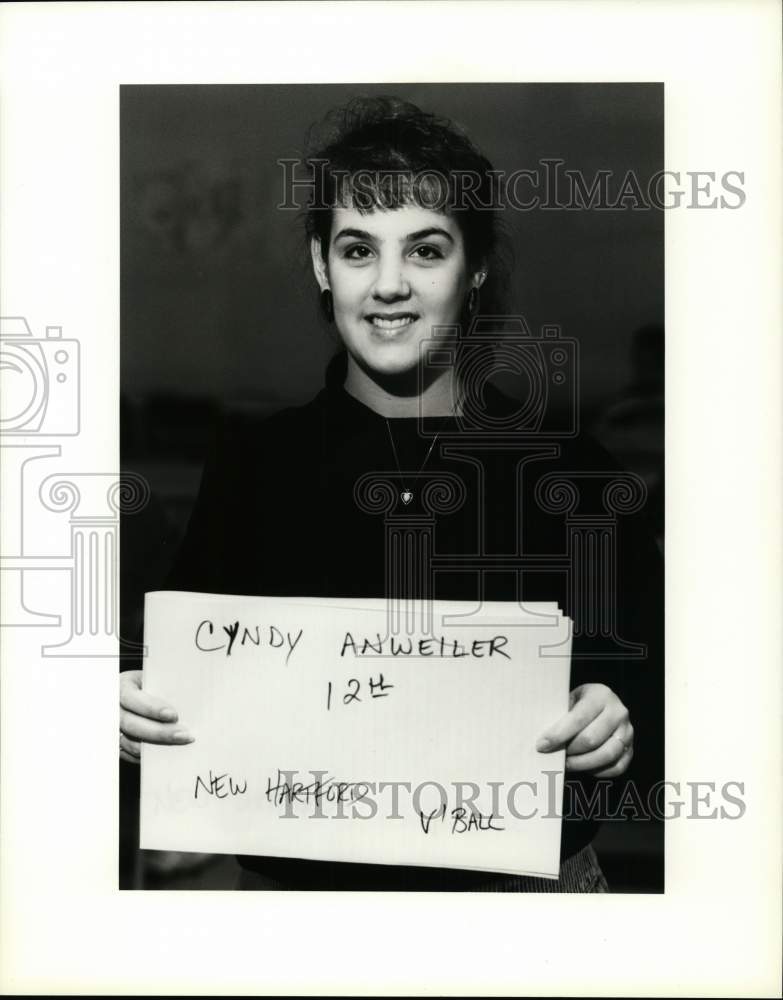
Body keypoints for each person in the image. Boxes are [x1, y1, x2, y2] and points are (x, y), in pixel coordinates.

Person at [120, 96, 663, 891]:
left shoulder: (575, 474)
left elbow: (660, 679)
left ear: (475, 267)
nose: (388, 287)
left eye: (425, 251)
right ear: (319, 264)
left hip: (521, 914)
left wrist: (619, 715)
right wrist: (135, 701)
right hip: (299, 913)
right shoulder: (254, 464)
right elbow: (182, 672)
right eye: (357, 250)